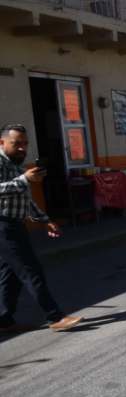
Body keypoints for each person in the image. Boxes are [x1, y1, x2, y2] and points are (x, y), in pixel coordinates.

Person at [0, 124, 82, 334]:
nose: (22, 148)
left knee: (10, 276)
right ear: (2, 143)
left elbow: (23, 199)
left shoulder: (15, 165)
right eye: (16, 144)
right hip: (3, 226)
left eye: (25, 144)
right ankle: (55, 317)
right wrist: (25, 179)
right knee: (30, 270)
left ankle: (3, 320)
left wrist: (45, 220)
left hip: (14, 224)